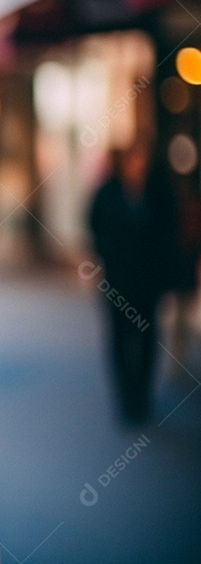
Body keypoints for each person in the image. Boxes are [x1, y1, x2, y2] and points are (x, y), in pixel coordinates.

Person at [89, 141, 176, 425]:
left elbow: (169, 231)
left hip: (147, 283)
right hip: (117, 282)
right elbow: (95, 227)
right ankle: (126, 399)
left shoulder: (158, 193)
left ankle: (143, 396)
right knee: (120, 340)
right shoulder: (107, 193)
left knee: (148, 337)